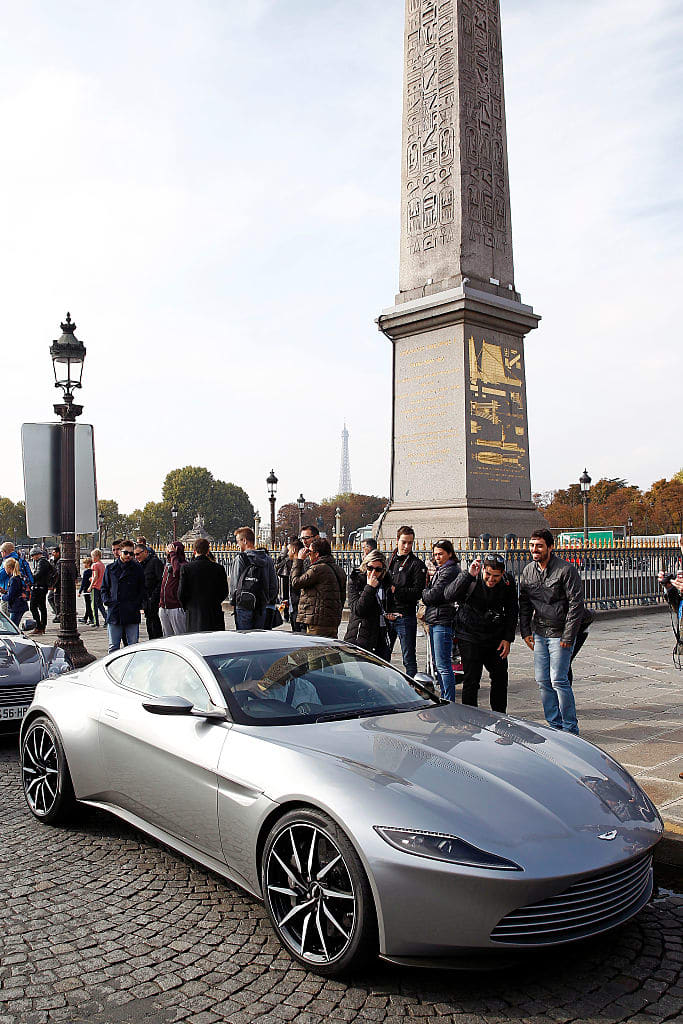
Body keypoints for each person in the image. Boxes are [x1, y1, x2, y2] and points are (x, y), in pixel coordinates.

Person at [519, 528, 585, 735]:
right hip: (540, 631)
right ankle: (554, 725)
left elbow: (576, 604)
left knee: (558, 679)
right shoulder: (528, 570)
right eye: (531, 545)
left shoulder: (566, 570)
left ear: (550, 547)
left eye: (539, 545)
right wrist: (525, 631)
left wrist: (568, 635)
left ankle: (570, 727)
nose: (534, 550)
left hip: (560, 632)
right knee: (542, 680)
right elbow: (524, 603)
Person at [445, 554, 518, 713]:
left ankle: (500, 715)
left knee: (500, 679)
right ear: (483, 569)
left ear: (503, 573)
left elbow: (513, 610)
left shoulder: (507, 582)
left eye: (496, 576)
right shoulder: (471, 577)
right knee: (471, 680)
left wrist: (508, 638)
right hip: (469, 636)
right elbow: (449, 595)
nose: (491, 579)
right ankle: (470, 717)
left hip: (495, 637)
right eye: (488, 574)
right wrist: (467, 575)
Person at [422, 539, 460, 700]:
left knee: (443, 665)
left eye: (440, 554)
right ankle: (445, 695)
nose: (437, 557)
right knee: (439, 664)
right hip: (436, 619)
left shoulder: (449, 571)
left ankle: (448, 698)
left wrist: (425, 591)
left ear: (449, 554)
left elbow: (433, 595)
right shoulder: (442, 569)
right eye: (435, 554)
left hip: (442, 619)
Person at [386, 526, 427, 677]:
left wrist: (396, 590)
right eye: (404, 542)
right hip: (388, 614)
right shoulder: (389, 561)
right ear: (397, 541)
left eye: (410, 543)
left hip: (405, 616)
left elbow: (417, 592)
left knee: (409, 658)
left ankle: (412, 687)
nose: (406, 546)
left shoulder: (417, 564)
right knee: (383, 656)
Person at [290, 536, 346, 639]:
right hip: (332, 620)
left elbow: (296, 582)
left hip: (317, 621)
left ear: (317, 554)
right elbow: (342, 596)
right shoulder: (338, 569)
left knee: (315, 653)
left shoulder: (318, 569)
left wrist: (299, 560)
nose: (308, 554)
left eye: (310, 552)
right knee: (331, 652)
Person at [345, 550, 394, 658]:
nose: (373, 573)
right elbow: (358, 609)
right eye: (370, 568)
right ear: (365, 566)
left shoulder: (385, 583)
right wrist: (369, 588)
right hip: (361, 634)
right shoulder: (356, 581)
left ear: (383, 570)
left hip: (381, 634)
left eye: (378, 569)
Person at [101, 539, 146, 652]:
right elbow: (104, 588)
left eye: (131, 553)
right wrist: (108, 601)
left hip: (131, 612)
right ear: (120, 552)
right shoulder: (110, 568)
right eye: (126, 553)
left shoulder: (137, 568)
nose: (128, 556)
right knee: (113, 647)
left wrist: (137, 604)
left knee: (133, 647)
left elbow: (142, 589)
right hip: (115, 611)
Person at [230, 527, 278, 631]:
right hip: (262, 604)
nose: (237, 544)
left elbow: (235, 584)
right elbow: (274, 585)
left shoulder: (241, 558)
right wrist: (266, 599)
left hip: (243, 604)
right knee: (260, 638)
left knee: (244, 638)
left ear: (245, 541)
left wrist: (234, 601)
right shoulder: (267, 559)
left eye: (238, 541)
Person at [179, 538, 229, 632]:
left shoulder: (186, 568)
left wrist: (188, 606)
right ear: (208, 551)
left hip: (194, 611)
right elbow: (224, 591)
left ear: (194, 551)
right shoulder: (218, 568)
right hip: (213, 611)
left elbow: (181, 592)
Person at [135, 542, 164, 640]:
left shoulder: (155, 562)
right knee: (150, 627)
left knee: (156, 628)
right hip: (146, 601)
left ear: (145, 552)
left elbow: (161, 581)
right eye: (135, 554)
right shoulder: (139, 565)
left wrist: (153, 597)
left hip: (154, 600)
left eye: (138, 554)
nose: (136, 557)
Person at [159, 541, 187, 636]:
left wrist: (173, 554)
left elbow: (177, 571)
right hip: (164, 606)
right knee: (167, 636)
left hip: (176, 607)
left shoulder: (183, 565)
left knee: (180, 636)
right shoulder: (168, 564)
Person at [0, 541, 33, 616]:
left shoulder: (8, 561)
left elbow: (1, 575)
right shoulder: (19, 559)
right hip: (19, 594)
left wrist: (3, 595)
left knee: (5, 618)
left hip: (9, 591)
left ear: (4, 552)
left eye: (1, 552)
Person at [278, 538, 304, 632]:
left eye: (288, 550)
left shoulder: (299, 565)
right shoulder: (293, 564)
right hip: (294, 606)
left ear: (293, 550)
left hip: (298, 607)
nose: (288, 553)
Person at [28, 546, 52, 635]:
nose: (32, 558)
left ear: (36, 555)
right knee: (42, 607)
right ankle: (42, 626)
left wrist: (30, 577)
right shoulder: (43, 561)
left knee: (33, 606)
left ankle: (39, 626)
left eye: (32, 556)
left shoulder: (42, 562)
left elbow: (38, 575)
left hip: (39, 587)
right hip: (42, 587)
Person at [3, 558, 29, 626]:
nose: (5, 570)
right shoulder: (18, 577)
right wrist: (5, 592)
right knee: (14, 624)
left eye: (5, 568)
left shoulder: (13, 579)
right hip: (19, 605)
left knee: (13, 626)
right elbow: (15, 591)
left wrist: (2, 597)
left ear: (9, 568)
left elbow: (10, 596)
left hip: (16, 606)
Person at [88, 548, 106, 627]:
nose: (92, 558)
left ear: (97, 556)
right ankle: (106, 618)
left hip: (95, 587)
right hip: (101, 586)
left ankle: (96, 622)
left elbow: (95, 576)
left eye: (92, 556)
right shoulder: (102, 565)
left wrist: (90, 585)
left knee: (93, 605)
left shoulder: (95, 565)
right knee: (100, 604)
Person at [79, 556, 94, 624]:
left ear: (88, 564)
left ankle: (91, 618)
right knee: (89, 604)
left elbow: (83, 583)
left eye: (84, 563)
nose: (83, 565)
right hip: (91, 589)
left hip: (86, 590)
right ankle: (85, 618)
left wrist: (80, 591)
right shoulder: (92, 571)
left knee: (88, 605)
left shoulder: (86, 572)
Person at [47, 546, 61, 622]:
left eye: (54, 552)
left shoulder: (59, 562)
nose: (53, 553)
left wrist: (53, 585)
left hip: (58, 584)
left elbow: (57, 574)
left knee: (54, 599)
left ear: (58, 553)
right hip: (56, 583)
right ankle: (58, 613)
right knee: (53, 598)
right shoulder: (53, 561)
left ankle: (58, 614)